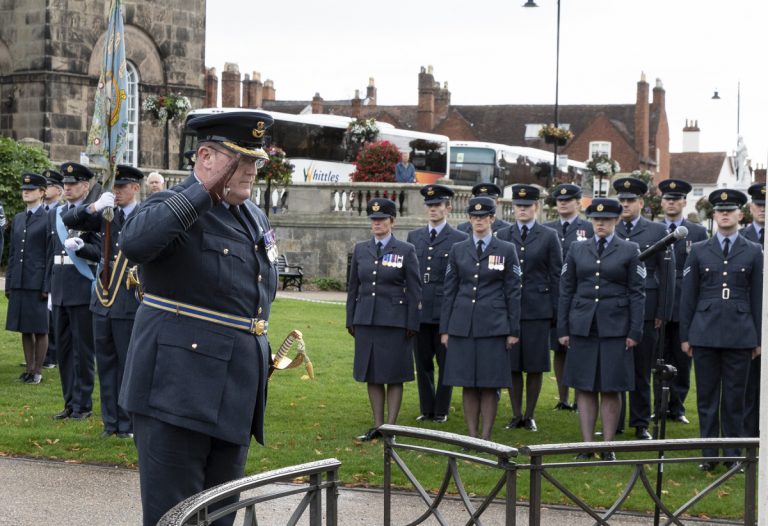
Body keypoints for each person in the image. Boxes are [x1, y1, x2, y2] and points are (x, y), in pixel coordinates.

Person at [118, 111, 278, 526]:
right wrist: (203, 191)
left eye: (255, 161)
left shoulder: (252, 216)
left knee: (221, 515)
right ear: (206, 156)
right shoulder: (171, 204)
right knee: (177, 517)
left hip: (235, 392)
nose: (251, 170)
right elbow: (135, 242)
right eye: (241, 160)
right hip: (176, 389)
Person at [680, 189, 762, 472]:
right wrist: (686, 335)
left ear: (741, 214)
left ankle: (733, 455)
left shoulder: (754, 251)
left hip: (740, 334)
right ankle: (708, 454)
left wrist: (758, 338)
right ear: (713, 215)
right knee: (706, 397)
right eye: (719, 211)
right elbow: (688, 295)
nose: (724, 215)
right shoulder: (700, 249)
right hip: (704, 333)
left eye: (730, 211)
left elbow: (758, 298)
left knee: (735, 398)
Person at [558, 198, 645, 460]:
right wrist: (563, 327)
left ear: (616, 220)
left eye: (606, 219)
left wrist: (634, 331)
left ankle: (608, 447)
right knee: (584, 387)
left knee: (611, 386)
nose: (600, 223)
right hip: (583, 326)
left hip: (615, 327)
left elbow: (637, 293)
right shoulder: (576, 248)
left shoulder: (630, 249)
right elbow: (566, 290)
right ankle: (586, 446)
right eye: (596, 219)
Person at [63, 165, 144, 439]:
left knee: (126, 364)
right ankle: (110, 423)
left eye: (122, 187)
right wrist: (94, 206)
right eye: (114, 187)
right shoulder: (107, 214)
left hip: (129, 297)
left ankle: (127, 423)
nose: (117, 192)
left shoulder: (144, 216)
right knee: (106, 363)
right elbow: (69, 219)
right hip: (103, 298)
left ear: (136, 188)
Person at [440, 196, 521, 441]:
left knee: (489, 383)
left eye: (483, 217)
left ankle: (485, 436)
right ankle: (472, 435)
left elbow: (514, 291)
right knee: (467, 382)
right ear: (469, 219)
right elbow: (450, 290)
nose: (478, 221)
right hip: (463, 325)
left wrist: (512, 329)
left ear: (492, 219)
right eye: (474, 217)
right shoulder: (458, 249)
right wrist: (445, 329)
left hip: (493, 326)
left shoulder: (506, 250)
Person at [346, 197, 421, 441]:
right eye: (374, 220)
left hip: (395, 322)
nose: (377, 223)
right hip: (367, 320)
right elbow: (353, 287)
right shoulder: (361, 249)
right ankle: (378, 426)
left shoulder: (405, 250)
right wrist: (351, 319)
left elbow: (415, 289)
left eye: (382, 219)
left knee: (394, 374)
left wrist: (412, 322)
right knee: (373, 373)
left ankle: (392, 428)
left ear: (392, 222)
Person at [497, 185, 562, 432]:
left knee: (534, 364)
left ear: (536, 207)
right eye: (518, 206)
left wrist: (556, 310)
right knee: (512, 364)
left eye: (527, 206)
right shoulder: (503, 235)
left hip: (538, 308)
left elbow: (556, 275)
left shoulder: (548, 236)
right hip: (510, 308)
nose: (522, 210)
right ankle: (515, 414)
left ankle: (530, 414)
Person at [613, 177, 673, 440]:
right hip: (614, 307)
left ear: (641, 202)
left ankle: (640, 422)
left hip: (647, 309)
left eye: (630, 201)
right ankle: (614, 420)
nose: (625, 205)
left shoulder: (656, 231)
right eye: (622, 201)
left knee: (641, 369)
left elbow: (666, 274)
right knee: (614, 367)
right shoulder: (610, 228)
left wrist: (662, 312)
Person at [407, 185, 467, 423]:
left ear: (447, 208)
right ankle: (426, 408)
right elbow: (411, 275)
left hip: (444, 311)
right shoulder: (415, 237)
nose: (433, 209)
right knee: (422, 364)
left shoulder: (459, 239)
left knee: (445, 364)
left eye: (438, 205)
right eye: (430, 206)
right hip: (421, 310)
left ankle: (441, 410)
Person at [49, 162, 100, 419]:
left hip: (81, 288)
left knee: (82, 351)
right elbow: (51, 254)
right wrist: (49, 289)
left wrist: (80, 247)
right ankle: (69, 403)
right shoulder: (56, 214)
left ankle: (83, 405)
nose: (67, 188)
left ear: (85, 186)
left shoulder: (92, 215)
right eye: (65, 185)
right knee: (65, 351)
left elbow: (100, 252)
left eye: (72, 185)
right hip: (59, 289)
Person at [655, 179, 708, 425]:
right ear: (661, 201)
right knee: (658, 357)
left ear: (684, 202)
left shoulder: (697, 232)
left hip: (686, 302)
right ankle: (659, 406)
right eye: (667, 199)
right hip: (658, 303)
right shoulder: (653, 230)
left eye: (676, 199)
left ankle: (677, 407)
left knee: (683, 358)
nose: (671, 203)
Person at [544, 183, 593, 411]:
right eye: (560, 200)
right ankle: (563, 398)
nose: (563, 203)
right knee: (559, 347)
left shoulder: (589, 228)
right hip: (556, 295)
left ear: (578, 202)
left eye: (568, 199)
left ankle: (578, 395)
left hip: (582, 295)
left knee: (580, 346)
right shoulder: (548, 228)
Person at [5, 173, 51, 384]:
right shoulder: (19, 218)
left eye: (31, 189)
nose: (26, 192)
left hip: (37, 280)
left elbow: (50, 254)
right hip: (21, 280)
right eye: (25, 189)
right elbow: (13, 253)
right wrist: (10, 281)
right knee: (24, 326)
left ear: (42, 193)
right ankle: (29, 368)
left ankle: (38, 370)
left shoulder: (48, 218)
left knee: (39, 327)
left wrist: (46, 285)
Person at [740, 182, 764, 438]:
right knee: (748, 382)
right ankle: (749, 432)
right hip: (748, 315)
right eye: (759, 205)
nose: (763, 210)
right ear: (750, 208)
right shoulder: (743, 238)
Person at [42, 169, 64, 369]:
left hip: (55, 264)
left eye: (48, 186)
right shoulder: (42, 211)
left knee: (52, 316)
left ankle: (53, 354)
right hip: (40, 266)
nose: (44, 190)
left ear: (58, 190)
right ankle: (41, 354)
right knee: (42, 315)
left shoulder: (61, 212)